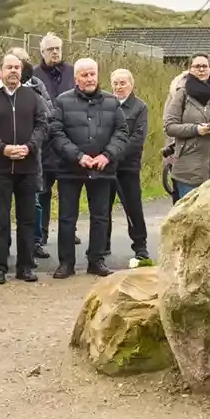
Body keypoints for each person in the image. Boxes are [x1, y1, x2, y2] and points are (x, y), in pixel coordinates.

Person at [48, 58, 131, 279]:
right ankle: (66, 263)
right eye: (84, 75)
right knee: (67, 218)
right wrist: (78, 156)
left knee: (101, 217)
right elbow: (55, 133)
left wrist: (107, 155)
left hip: (103, 169)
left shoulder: (112, 103)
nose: (89, 78)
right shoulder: (62, 102)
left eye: (92, 74)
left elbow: (122, 133)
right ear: (76, 78)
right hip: (70, 169)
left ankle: (96, 260)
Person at [0, 53, 49, 284]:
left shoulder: (33, 97)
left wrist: (30, 146)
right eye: (9, 67)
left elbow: (43, 125)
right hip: (0, 167)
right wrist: (3, 148)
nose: (14, 71)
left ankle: (25, 266)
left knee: (27, 219)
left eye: (17, 67)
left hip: (27, 167)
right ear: (0, 71)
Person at [164, 54, 210, 199]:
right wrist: (196, 129)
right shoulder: (182, 94)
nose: (201, 70)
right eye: (197, 66)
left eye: (205, 66)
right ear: (190, 69)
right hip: (188, 169)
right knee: (188, 217)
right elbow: (170, 126)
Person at [31, 33, 78, 258]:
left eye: (58, 48)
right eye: (50, 49)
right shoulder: (34, 75)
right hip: (44, 142)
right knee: (43, 191)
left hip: (69, 141)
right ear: (42, 52)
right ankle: (42, 233)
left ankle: (70, 231)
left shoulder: (72, 72)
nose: (55, 52)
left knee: (70, 190)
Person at [104, 68, 149, 262]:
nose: (119, 87)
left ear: (131, 84)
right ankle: (101, 245)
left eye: (123, 83)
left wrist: (114, 154)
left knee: (133, 207)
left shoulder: (140, 107)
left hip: (127, 166)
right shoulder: (106, 104)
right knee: (102, 208)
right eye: (116, 83)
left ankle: (140, 246)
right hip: (105, 166)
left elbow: (137, 138)